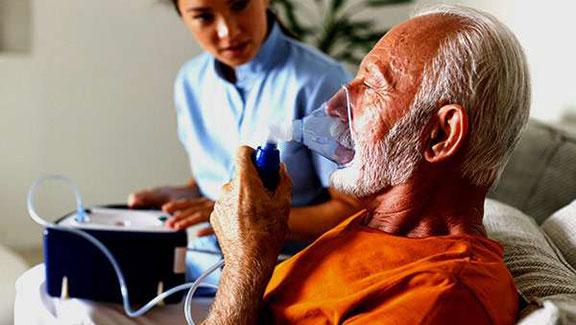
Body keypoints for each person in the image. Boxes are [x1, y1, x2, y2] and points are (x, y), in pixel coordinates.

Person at [205, 4, 530, 324]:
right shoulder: (370, 226)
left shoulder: (439, 297)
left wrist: (244, 263)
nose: (334, 106)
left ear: (440, 135)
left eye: (372, 86)